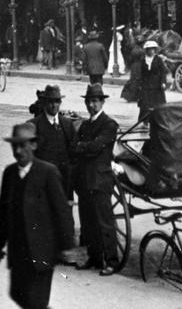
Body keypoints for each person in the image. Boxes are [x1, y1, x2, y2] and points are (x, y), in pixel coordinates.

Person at [0, 122, 76, 309]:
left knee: (36, 302)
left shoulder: (47, 172)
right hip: (18, 251)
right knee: (16, 293)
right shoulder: (10, 173)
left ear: (34, 145)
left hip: (42, 251)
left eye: (23, 145)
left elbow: (61, 211)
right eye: (15, 146)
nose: (18, 151)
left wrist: (66, 245)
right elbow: (3, 211)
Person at [73, 83, 120, 276]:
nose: (91, 105)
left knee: (105, 221)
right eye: (88, 102)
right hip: (85, 180)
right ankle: (94, 258)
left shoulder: (109, 124)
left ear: (102, 102)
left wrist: (83, 147)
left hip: (100, 180)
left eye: (95, 101)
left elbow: (95, 147)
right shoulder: (85, 125)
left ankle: (112, 261)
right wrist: (86, 147)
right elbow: (80, 147)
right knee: (88, 221)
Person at [28, 85, 76, 202]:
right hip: (44, 181)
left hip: (64, 180)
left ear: (60, 103)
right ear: (44, 103)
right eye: (50, 102)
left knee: (65, 216)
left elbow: (73, 151)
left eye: (57, 102)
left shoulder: (67, 124)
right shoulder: (34, 125)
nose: (54, 105)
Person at [138, 40, 168, 120]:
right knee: (145, 103)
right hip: (146, 84)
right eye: (149, 49)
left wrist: (163, 82)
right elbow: (141, 73)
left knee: (157, 103)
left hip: (156, 84)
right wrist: (140, 84)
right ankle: (145, 121)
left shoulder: (158, 60)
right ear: (146, 50)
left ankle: (159, 120)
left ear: (155, 50)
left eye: (152, 49)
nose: (151, 51)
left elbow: (162, 72)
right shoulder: (143, 60)